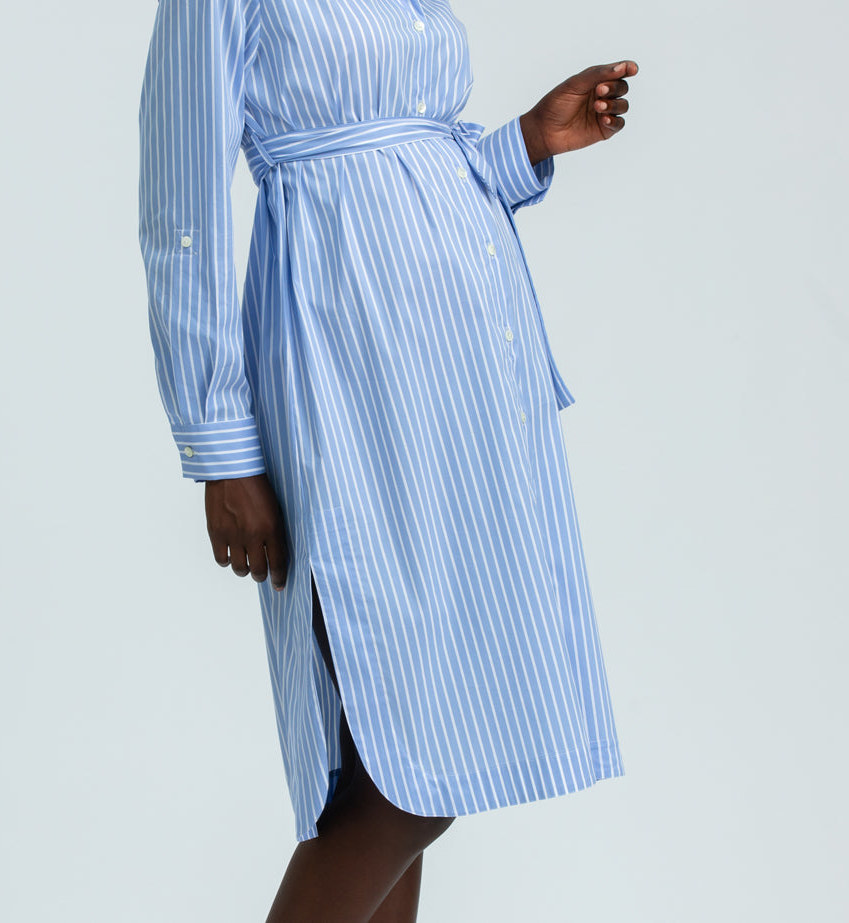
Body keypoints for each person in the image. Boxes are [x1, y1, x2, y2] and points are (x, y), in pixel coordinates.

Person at [137, 2, 637, 920]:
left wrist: (525, 141)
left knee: (416, 743)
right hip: (345, 368)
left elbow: (407, 157)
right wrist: (219, 442)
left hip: (468, 378)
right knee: (405, 764)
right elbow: (182, 210)